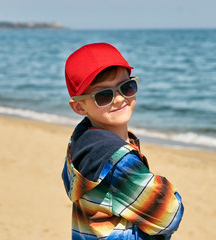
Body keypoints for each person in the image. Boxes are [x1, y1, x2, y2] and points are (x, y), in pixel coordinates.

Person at [62, 42, 184, 240]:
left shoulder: (79, 141)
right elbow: (169, 215)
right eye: (103, 95)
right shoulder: (118, 162)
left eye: (126, 87)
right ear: (79, 107)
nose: (119, 99)